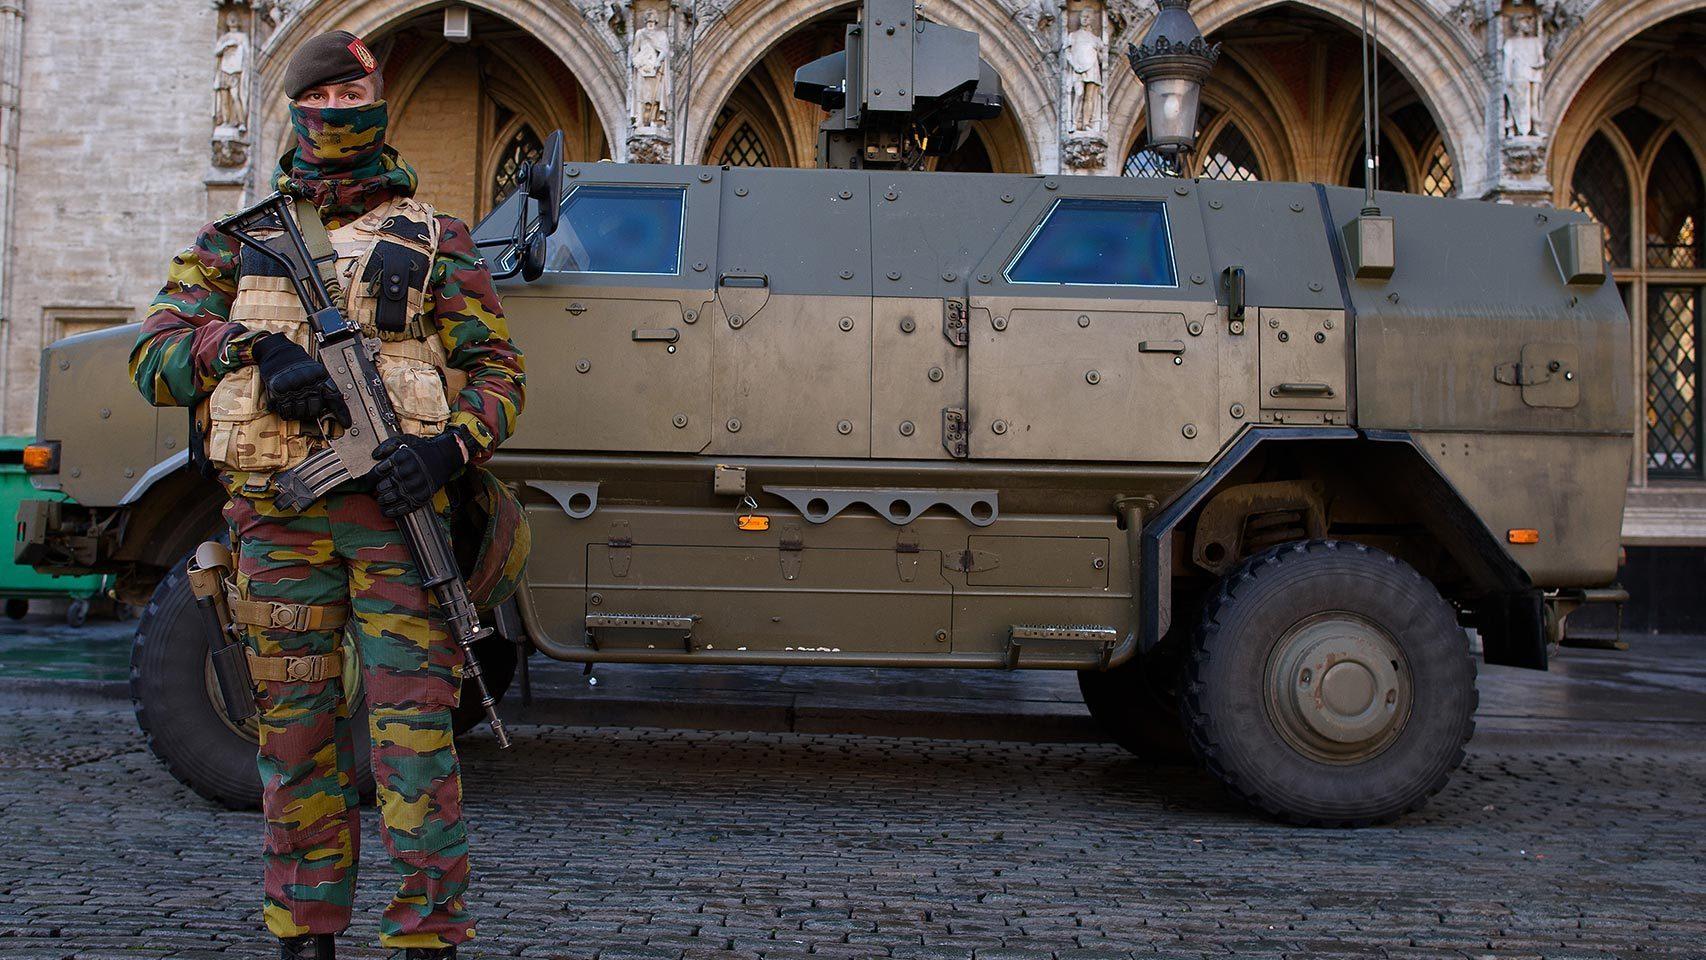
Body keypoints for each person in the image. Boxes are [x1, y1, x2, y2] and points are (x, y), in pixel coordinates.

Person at [129, 29, 526, 960]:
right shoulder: (238, 241)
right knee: (295, 734)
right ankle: (304, 931)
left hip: (397, 526)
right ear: (300, 107)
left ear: (379, 104)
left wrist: (448, 452)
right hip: (279, 526)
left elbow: (499, 373)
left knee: (414, 737)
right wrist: (251, 348)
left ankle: (428, 932)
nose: (343, 109)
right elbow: (153, 355)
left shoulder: (436, 239)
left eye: (359, 94)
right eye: (327, 95)